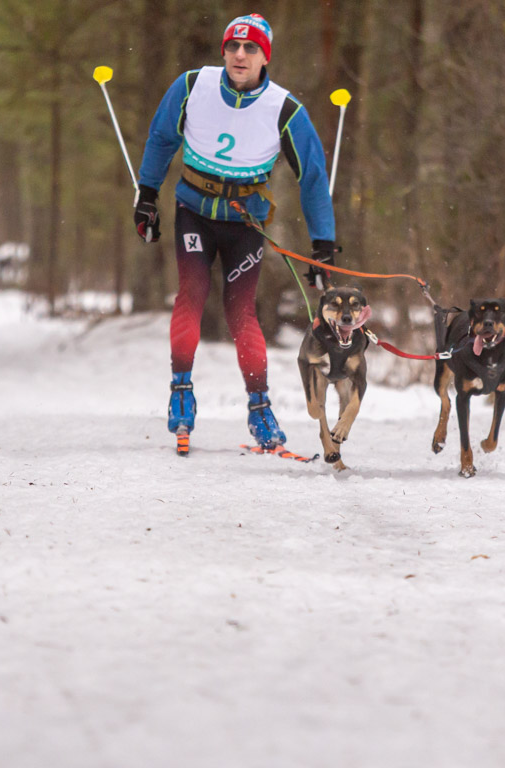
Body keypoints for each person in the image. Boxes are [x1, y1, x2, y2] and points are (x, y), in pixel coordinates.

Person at [134, 12, 337, 451]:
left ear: (265, 56)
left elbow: (314, 177)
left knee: (240, 311)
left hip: (245, 222)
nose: (239, 55)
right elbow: (160, 139)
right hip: (194, 211)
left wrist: (323, 245)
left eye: (251, 48)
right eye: (232, 46)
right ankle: (181, 394)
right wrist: (147, 197)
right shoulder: (193, 86)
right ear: (223, 50)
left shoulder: (284, 109)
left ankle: (260, 408)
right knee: (191, 292)